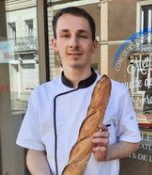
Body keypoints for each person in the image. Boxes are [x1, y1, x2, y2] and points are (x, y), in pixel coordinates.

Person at [16, 7, 141, 175]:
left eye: (82, 36)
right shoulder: (40, 95)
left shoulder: (117, 92)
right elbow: (34, 150)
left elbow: (132, 141)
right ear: (55, 43)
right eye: (65, 35)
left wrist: (108, 153)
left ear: (94, 45)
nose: (73, 43)